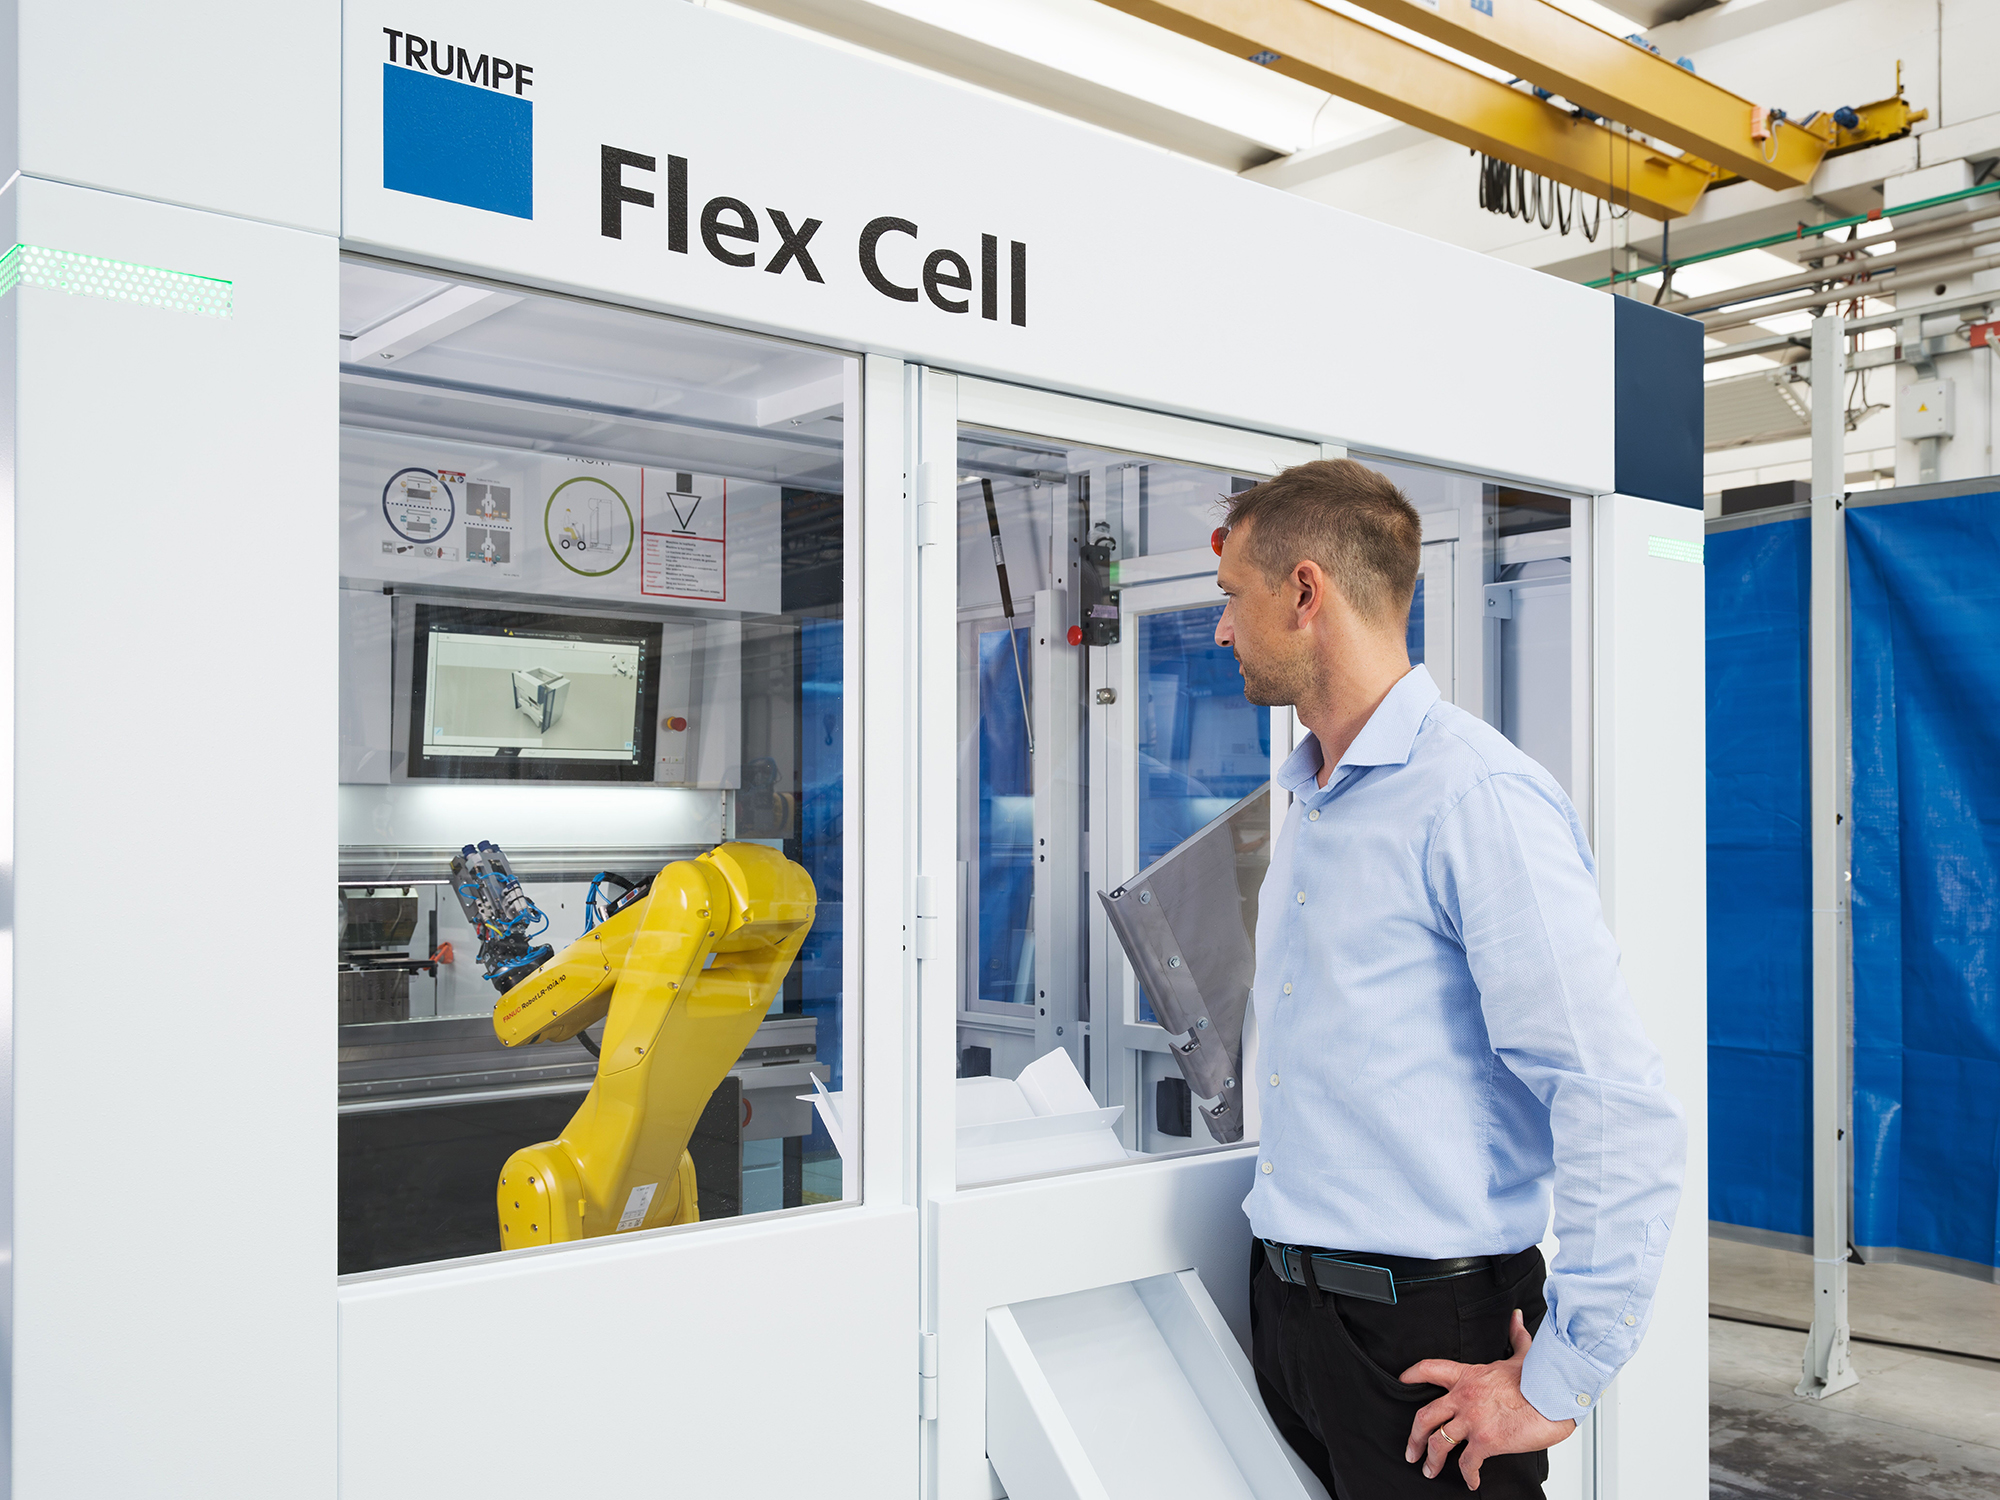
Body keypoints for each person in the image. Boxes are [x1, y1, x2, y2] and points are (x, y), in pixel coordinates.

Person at [1213, 459, 1685, 1498]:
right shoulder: (1313, 797)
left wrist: (1564, 1377)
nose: (1220, 629)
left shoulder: (1474, 797)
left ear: (1304, 592)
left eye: (1232, 597)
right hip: (1296, 1315)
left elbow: (1611, 1098)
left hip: (1424, 1337)